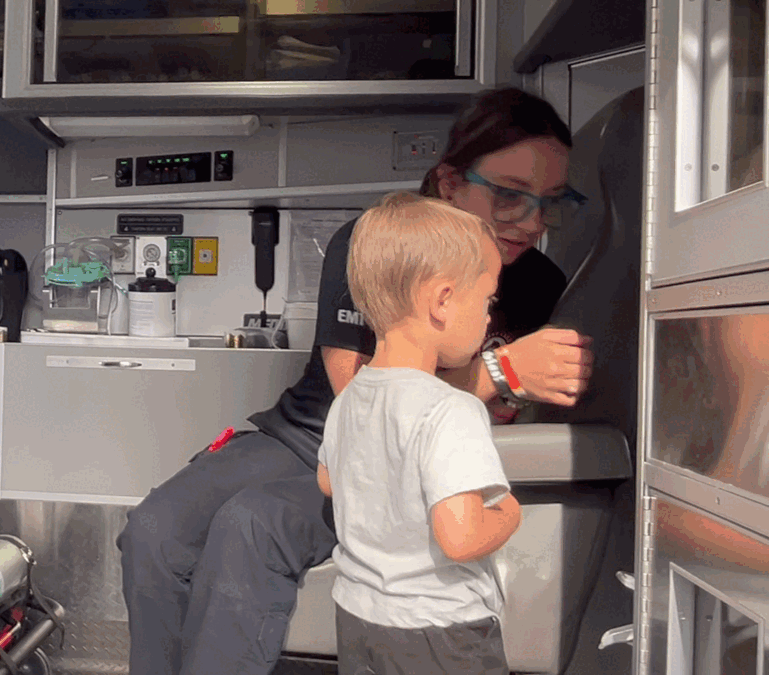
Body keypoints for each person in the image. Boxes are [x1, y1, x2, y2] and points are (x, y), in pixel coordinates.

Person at [117, 87, 595, 675]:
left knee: (254, 522)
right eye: (508, 195)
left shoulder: (544, 284)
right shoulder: (372, 245)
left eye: (550, 202)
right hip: (312, 438)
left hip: (403, 465)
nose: (530, 222)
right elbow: (365, 396)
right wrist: (503, 371)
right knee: (153, 531)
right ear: (450, 184)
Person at [316, 192, 523, 675]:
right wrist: (510, 512)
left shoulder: (350, 395)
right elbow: (462, 537)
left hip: (358, 616)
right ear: (443, 300)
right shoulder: (451, 408)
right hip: (441, 631)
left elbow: (328, 481)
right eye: (488, 298)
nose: (490, 316)